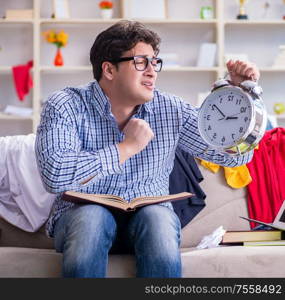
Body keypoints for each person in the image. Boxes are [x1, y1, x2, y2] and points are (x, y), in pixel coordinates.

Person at [35, 20, 260, 278]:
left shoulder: (172, 109)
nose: (152, 71)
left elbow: (234, 156)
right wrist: (125, 148)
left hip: (148, 222)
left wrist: (242, 99)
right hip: (79, 219)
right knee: (92, 218)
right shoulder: (65, 105)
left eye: (155, 62)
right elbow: (55, 175)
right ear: (109, 69)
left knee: (158, 219)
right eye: (141, 62)